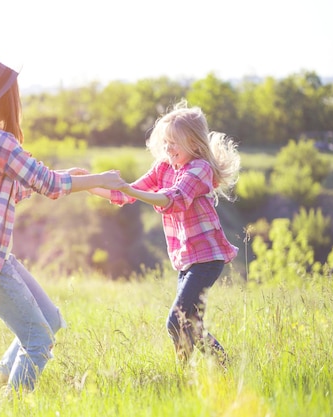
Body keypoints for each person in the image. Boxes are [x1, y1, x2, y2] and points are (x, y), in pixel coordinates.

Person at [0, 55, 126, 393]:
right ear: (6, 96)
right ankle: (10, 406)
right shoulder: (0, 142)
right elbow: (46, 184)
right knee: (38, 340)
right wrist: (102, 177)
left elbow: (18, 187)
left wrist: (76, 178)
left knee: (48, 321)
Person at [89, 99, 240, 366]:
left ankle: (219, 366)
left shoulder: (200, 169)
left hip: (206, 260)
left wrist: (131, 191)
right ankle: (195, 372)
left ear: (194, 144)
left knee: (176, 321)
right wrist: (88, 184)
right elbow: (125, 193)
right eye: (165, 142)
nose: (168, 149)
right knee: (189, 324)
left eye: (174, 143)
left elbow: (174, 198)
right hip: (186, 260)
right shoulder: (164, 167)